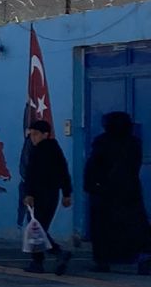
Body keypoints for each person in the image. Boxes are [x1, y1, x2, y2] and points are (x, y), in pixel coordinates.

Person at [84, 110, 149, 273]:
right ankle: (141, 259)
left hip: (105, 193)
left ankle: (103, 261)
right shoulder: (134, 143)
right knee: (135, 227)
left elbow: (93, 166)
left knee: (102, 229)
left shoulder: (102, 142)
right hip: (129, 192)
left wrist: (92, 185)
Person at [19, 118, 73, 275]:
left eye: (36, 134)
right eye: (31, 134)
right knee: (39, 228)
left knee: (37, 228)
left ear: (45, 134)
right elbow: (64, 172)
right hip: (52, 194)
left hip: (40, 195)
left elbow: (31, 175)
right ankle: (39, 260)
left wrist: (29, 194)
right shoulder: (54, 150)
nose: (33, 138)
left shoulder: (39, 152)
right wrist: (66, 193)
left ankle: (55, 254)